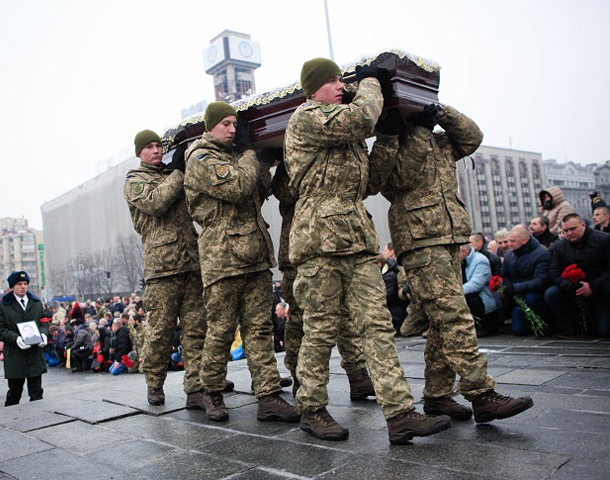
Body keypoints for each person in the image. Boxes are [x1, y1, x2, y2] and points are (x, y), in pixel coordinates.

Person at [283, 57, 448, 443]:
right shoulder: (307, 118)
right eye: (332, 80)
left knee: (376, 327)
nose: (340, 85)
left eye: (343, 79)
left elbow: (369, 182)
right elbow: (360, 119)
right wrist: (371, 82)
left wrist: (388, 138)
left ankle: (400, 412)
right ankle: (311, 407)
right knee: (321, 329)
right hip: (319, 241)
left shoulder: (347, 133)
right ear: (312, 90)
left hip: (356, 239)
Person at [378, 100, 533, 428]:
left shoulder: (440, 143)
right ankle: (482, 394)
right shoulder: (392, 144)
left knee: (441, 322)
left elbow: (472, 137)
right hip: (419, 239)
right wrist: (417, 128)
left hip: (448, 235)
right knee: (454, 317)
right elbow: (401, 178)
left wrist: (441, 114)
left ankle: (437, 395)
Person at [184, 101, 299, 424]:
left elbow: (258, 191)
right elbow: (236, 188)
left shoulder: (236, 158)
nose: (233, 129)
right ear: (209, 127)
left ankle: (268, 396)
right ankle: (211, 392)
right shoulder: (201, 157)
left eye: (236, 124)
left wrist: (261, 162)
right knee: (220, 331)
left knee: (260, 328)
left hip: (253, 254)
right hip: (223, 258)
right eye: (226, 124)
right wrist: (251, 153)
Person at [272, 156, 376, 400]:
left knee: (346, 315)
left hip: (336, 243)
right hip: (300, 250)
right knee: (298, 317)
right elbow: (285, 192)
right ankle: (301, 378)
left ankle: (358, 374)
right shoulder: (290, 162)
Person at [124, 129, 209, 408]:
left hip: (190, 263)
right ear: (140, 153)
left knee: (196, 330)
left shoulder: (173, 174)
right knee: (160, 333)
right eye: (149, 147)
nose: (156, 150)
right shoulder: (135, 181)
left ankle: (196, 387)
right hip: (162, 270)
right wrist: (177, 173)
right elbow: (157, 203)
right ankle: (154, 383)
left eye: (159, 145)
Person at [545, 213, 610, 337]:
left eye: (572, 229)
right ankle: (573, 324)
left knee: (603, 331)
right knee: (552, 293)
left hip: (600, 288)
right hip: (573, 288)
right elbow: (554, 271)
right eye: (566, 230)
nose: (569, 233)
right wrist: (568, 285)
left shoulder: (604, 240)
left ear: (583, 225)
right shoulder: (560, 246)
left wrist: (592, 285)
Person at [0, 271, 49, 406]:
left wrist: (44, 334)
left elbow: (44, 322)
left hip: (34, 353)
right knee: (15, 392)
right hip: (15, 355)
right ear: (12, 287)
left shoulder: (35, 302)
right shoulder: (2, 305)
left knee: (37, 392)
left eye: (25, 284)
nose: (23, 286)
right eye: (19, 284)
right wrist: (16, 339)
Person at [501, 225, 553, 336]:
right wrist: (507, 286)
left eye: (512, 241)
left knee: (531, 298)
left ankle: (546, 324)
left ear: (524, 240)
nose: (509, 244)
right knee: (518, 331)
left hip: (535, 293)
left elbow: (540, 280)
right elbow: (504, 275)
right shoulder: (509, 255)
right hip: (516, 293)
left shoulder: (542, 253)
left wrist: (515, 288)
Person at [458, 245, 500, 336]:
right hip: (462, 293)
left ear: (466, 252)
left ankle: (481, 327)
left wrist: (455, 291)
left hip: (482, 297)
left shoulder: (480, 261)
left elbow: (476, 284)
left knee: (472, 298)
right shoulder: (458, 262)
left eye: (457, 252)